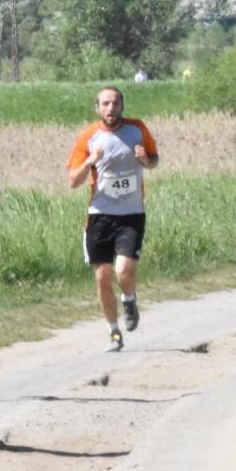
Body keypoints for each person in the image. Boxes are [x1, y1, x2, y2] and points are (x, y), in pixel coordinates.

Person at [67, 85, 159, 352]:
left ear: (122, 106)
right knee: (102, 277)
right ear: (97, 109)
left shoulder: (137, 129)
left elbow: (154, 160)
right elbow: (73, 180)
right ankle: (114, 332)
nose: (111, 108)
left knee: (123, 271)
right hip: (99, 217)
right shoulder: (89, 136)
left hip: (131, 215)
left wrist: (146, 160)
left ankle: (129, 300)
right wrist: (90, 161)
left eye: (115, 103)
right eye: (105, 104)